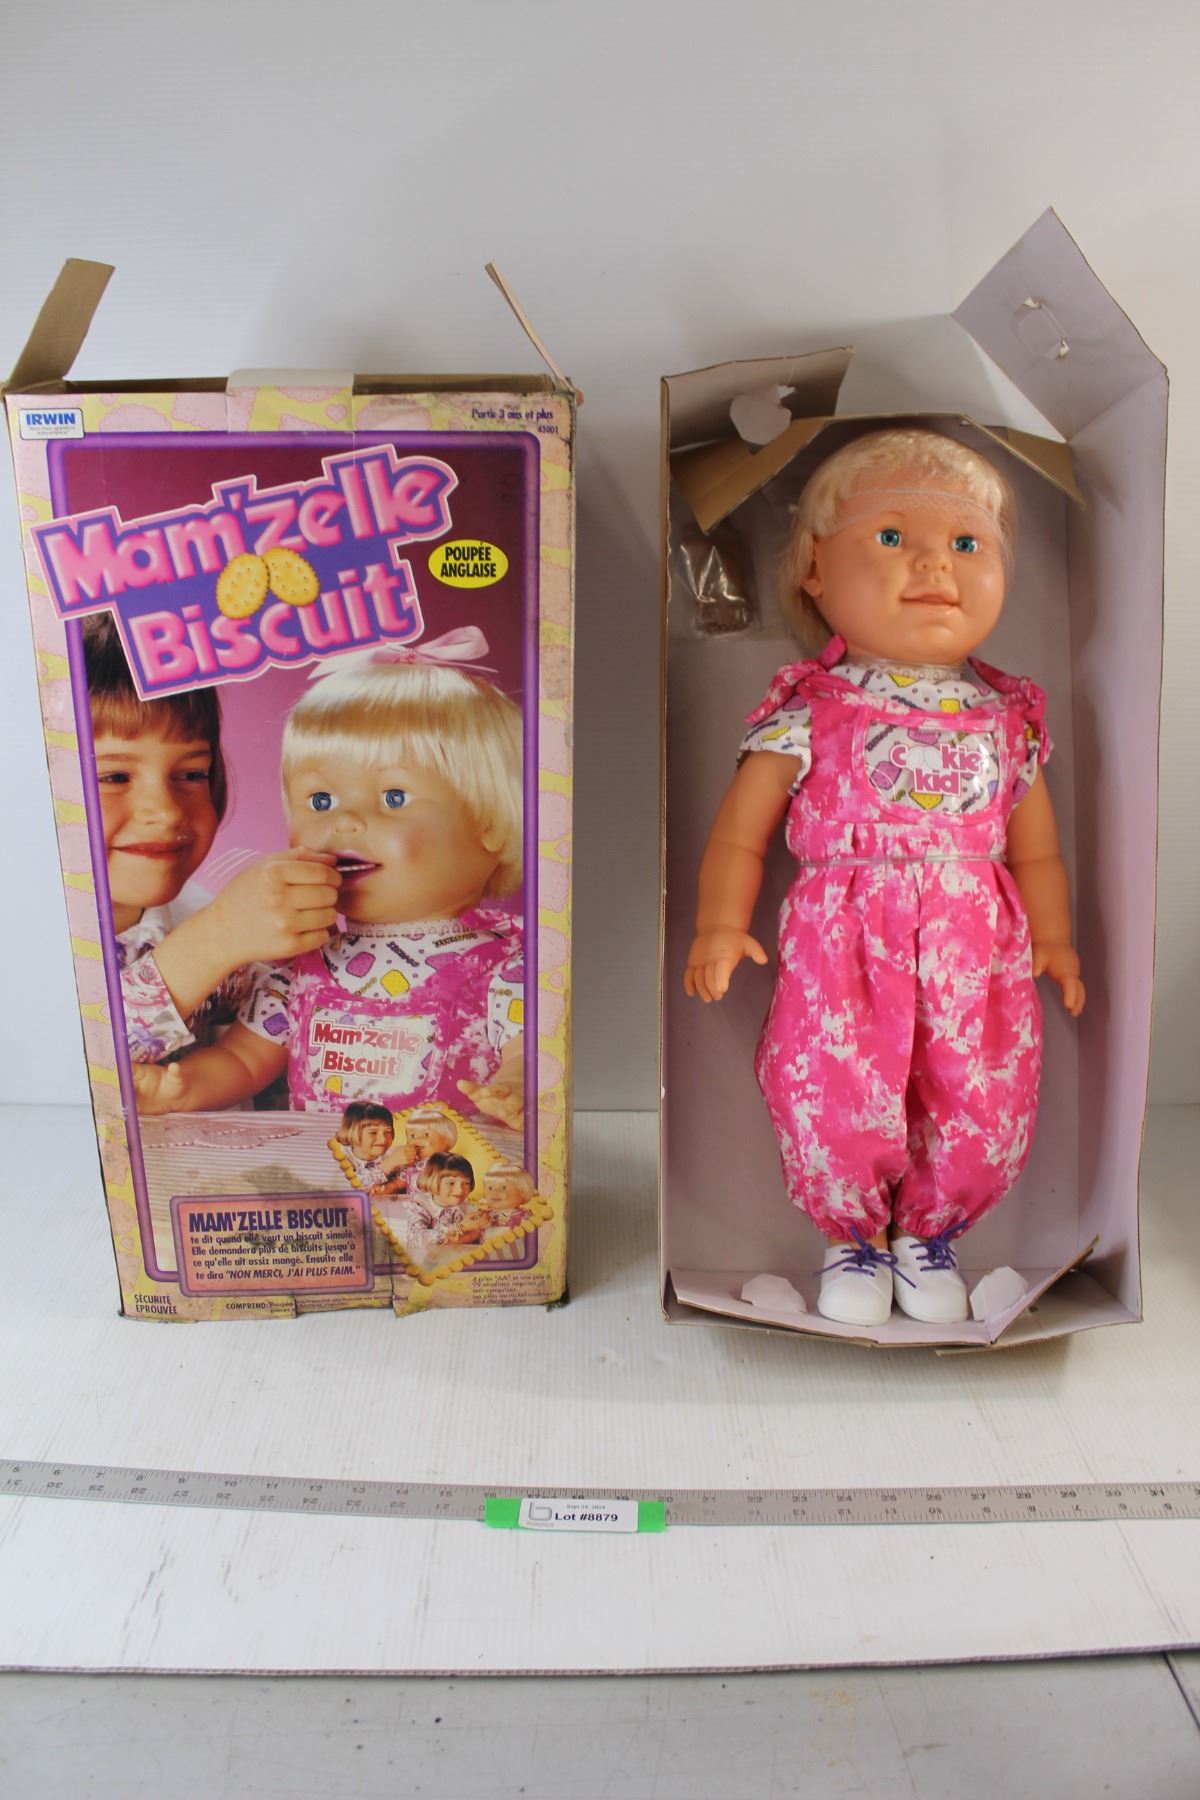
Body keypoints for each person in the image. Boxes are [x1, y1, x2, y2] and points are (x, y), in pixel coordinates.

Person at [684, 429, 1085, 1328]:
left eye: (967, 543)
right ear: (815, 572)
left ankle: (930, 1236)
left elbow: (1036, 851)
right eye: (894, 537)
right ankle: (854, 1238)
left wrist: (1055, 939)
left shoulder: (1006, 719)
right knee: (835, 1087)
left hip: (975, 947)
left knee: (980, 1090)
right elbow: (741, 833)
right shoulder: (812, 710)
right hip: (845, 939)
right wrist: (720, 922)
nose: (935, 563)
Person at [132, 646, 525, 1127]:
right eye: (321, 800)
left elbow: (529, 1051)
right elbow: (243, 1060)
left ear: (490, 825)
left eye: (393, 797)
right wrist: (180, 1087)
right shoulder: (302, 965)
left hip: (448, 1167)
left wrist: (517, 1084)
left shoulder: (505, 966)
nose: (344, 821)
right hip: (324, 1169)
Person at [84, 616, 339, 1066]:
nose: (167, 811)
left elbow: (275, 1022)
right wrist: (214, 941)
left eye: (191, 774)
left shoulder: (193, 911)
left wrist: (311, 958)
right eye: (115, 776)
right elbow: (77, 1060)